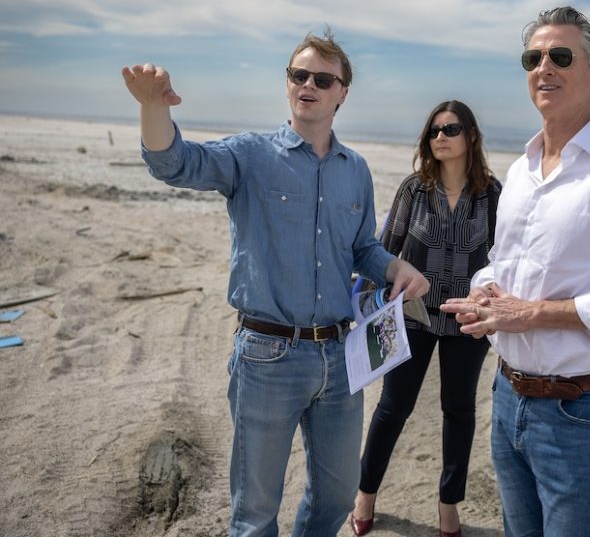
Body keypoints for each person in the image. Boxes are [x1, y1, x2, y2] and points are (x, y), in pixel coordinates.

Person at [120, 27, 429, 537]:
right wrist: (153, 107)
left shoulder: (357, 169)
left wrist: (395, 268)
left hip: (339, 357)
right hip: (267, 355)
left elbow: (360, 249)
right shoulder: (251, 155)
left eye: (323, 79)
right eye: (299, 74)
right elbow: (174, 163)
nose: (309, 84)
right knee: (256, 511)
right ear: (288, 84)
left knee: (335, 495)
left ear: (342, 93)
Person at [440, 6, 590, 537]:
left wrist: (532, 314)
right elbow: (502, 262)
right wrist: (485, 294)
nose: (543, 67)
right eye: (533, 57)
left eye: (561, 56)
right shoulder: (520, 170)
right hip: (508, 399)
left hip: (584, 411)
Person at [350, 100, 500, 537]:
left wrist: (489, 303)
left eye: (450, 129)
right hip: (411, 317)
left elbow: (504, 260)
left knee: (459, 411)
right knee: (393, 408)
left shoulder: (492, 195)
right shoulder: (414, 189)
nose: (440, 137)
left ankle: (448, 507)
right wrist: (362, 306)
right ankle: (365, 495)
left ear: (470, 136)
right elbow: (383, 250)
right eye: (434, 130)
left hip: (466, 322)